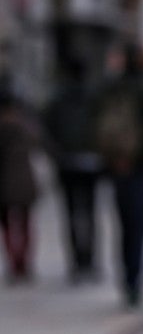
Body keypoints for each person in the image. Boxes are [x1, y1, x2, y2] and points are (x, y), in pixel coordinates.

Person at [94, 43, 143, 308]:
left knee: (124, 227)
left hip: (118, 167)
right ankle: (134, 282)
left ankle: (126, 278)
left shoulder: (114, 88)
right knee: (140, 228)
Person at [43, 60, 104, 283]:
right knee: (89, 212)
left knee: (70, 214)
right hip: (91, 163)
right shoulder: (95, 98)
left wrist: (56, 154)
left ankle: (77, 262)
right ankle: (89, 259)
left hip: (67, 163)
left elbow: (46, 129)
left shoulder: (57, 98)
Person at [0, 91, 39, 284]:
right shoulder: (25, 125)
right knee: (25, 223)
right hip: (24, 181)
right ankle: (23, 262)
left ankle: (14, 262)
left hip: (4, 183)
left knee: (7, 224)